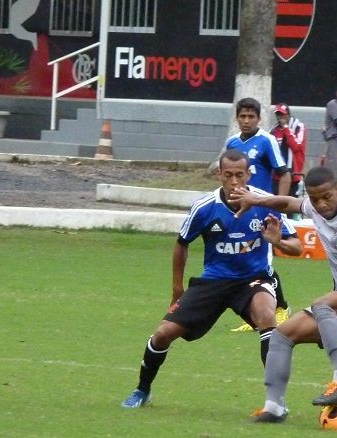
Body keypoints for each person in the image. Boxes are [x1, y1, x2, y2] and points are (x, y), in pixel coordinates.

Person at [121, 149, 302, 408]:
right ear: (219, 174)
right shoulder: (205, 207)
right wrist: (177, 289)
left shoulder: (265, 203)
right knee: (163, 334)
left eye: (240, 175)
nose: (235, 182)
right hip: (214, 281)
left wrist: (279, 243)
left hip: (254, 279)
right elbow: (181, 243)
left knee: (266, 317)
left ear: (249, 174)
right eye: (228, 175)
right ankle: (142, 390)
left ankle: (276, 402)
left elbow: (297, 247)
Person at [228, 166, 337, 423]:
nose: (321, 204)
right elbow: (288, 202)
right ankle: (274, 408)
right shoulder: (314, 206)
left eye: (327, 196)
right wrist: (256, 201)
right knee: (282, 335)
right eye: (315, 199)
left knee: (322, 303)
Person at [226, 97, 294, 331]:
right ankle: (255, 313)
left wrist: (279, 205)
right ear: (237, 118)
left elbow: (284, 174)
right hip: (239, 208)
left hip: (262, 207)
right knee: (243, 255)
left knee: (263, 259)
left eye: (251, 117)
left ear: (258, 118)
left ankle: (281, 309)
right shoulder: (232, 143)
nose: (246, 121)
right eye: (242, 116)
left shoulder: (267, 141)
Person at [269, 103, 307, 199]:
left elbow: (297, 146)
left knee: (288, 205)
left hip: (292, 174)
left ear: (288, 115)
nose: (280, 117)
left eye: (282, 114)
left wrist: (286, 128)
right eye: (278, 114)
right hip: (276, 174)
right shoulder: (274, 129)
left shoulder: (298, 126)